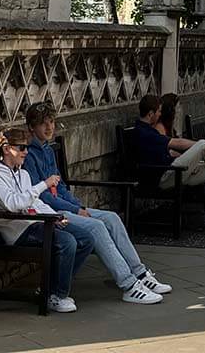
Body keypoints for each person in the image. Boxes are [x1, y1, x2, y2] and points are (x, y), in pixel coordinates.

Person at [24, 102, 169, 305]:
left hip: (66, 205)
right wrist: (75, 209)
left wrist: (78, 206)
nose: (49, 127)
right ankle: (128, 285)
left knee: (112, 218)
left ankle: (140, 273)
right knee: (97, 227)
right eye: (43, 124)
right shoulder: (28, 155)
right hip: (50, 211)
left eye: (52, 122)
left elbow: (61, 185)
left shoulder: (47, 150)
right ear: (31, 127)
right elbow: (40, 196)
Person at [0, 125, 94, 314]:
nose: (25, 152)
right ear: (6, 148)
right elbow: (12, 204)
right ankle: (57, 294)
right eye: (21, 148)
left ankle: (49, 289)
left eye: (26, 147)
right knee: (67, 242)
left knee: (86, 239)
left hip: (36, 222)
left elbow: (35, 203)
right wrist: (44, 184)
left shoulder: (23, 173)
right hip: (17, 230)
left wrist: (56, 216)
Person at [135, 95, 205, 239]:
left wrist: (193, 163)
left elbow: (168, 152)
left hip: (170, 171)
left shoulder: (148, 130)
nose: (160, 114)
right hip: (162, 177)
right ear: (150, 114)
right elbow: (177, 143)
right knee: (203, 144)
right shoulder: (143, 132)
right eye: (158, 111)